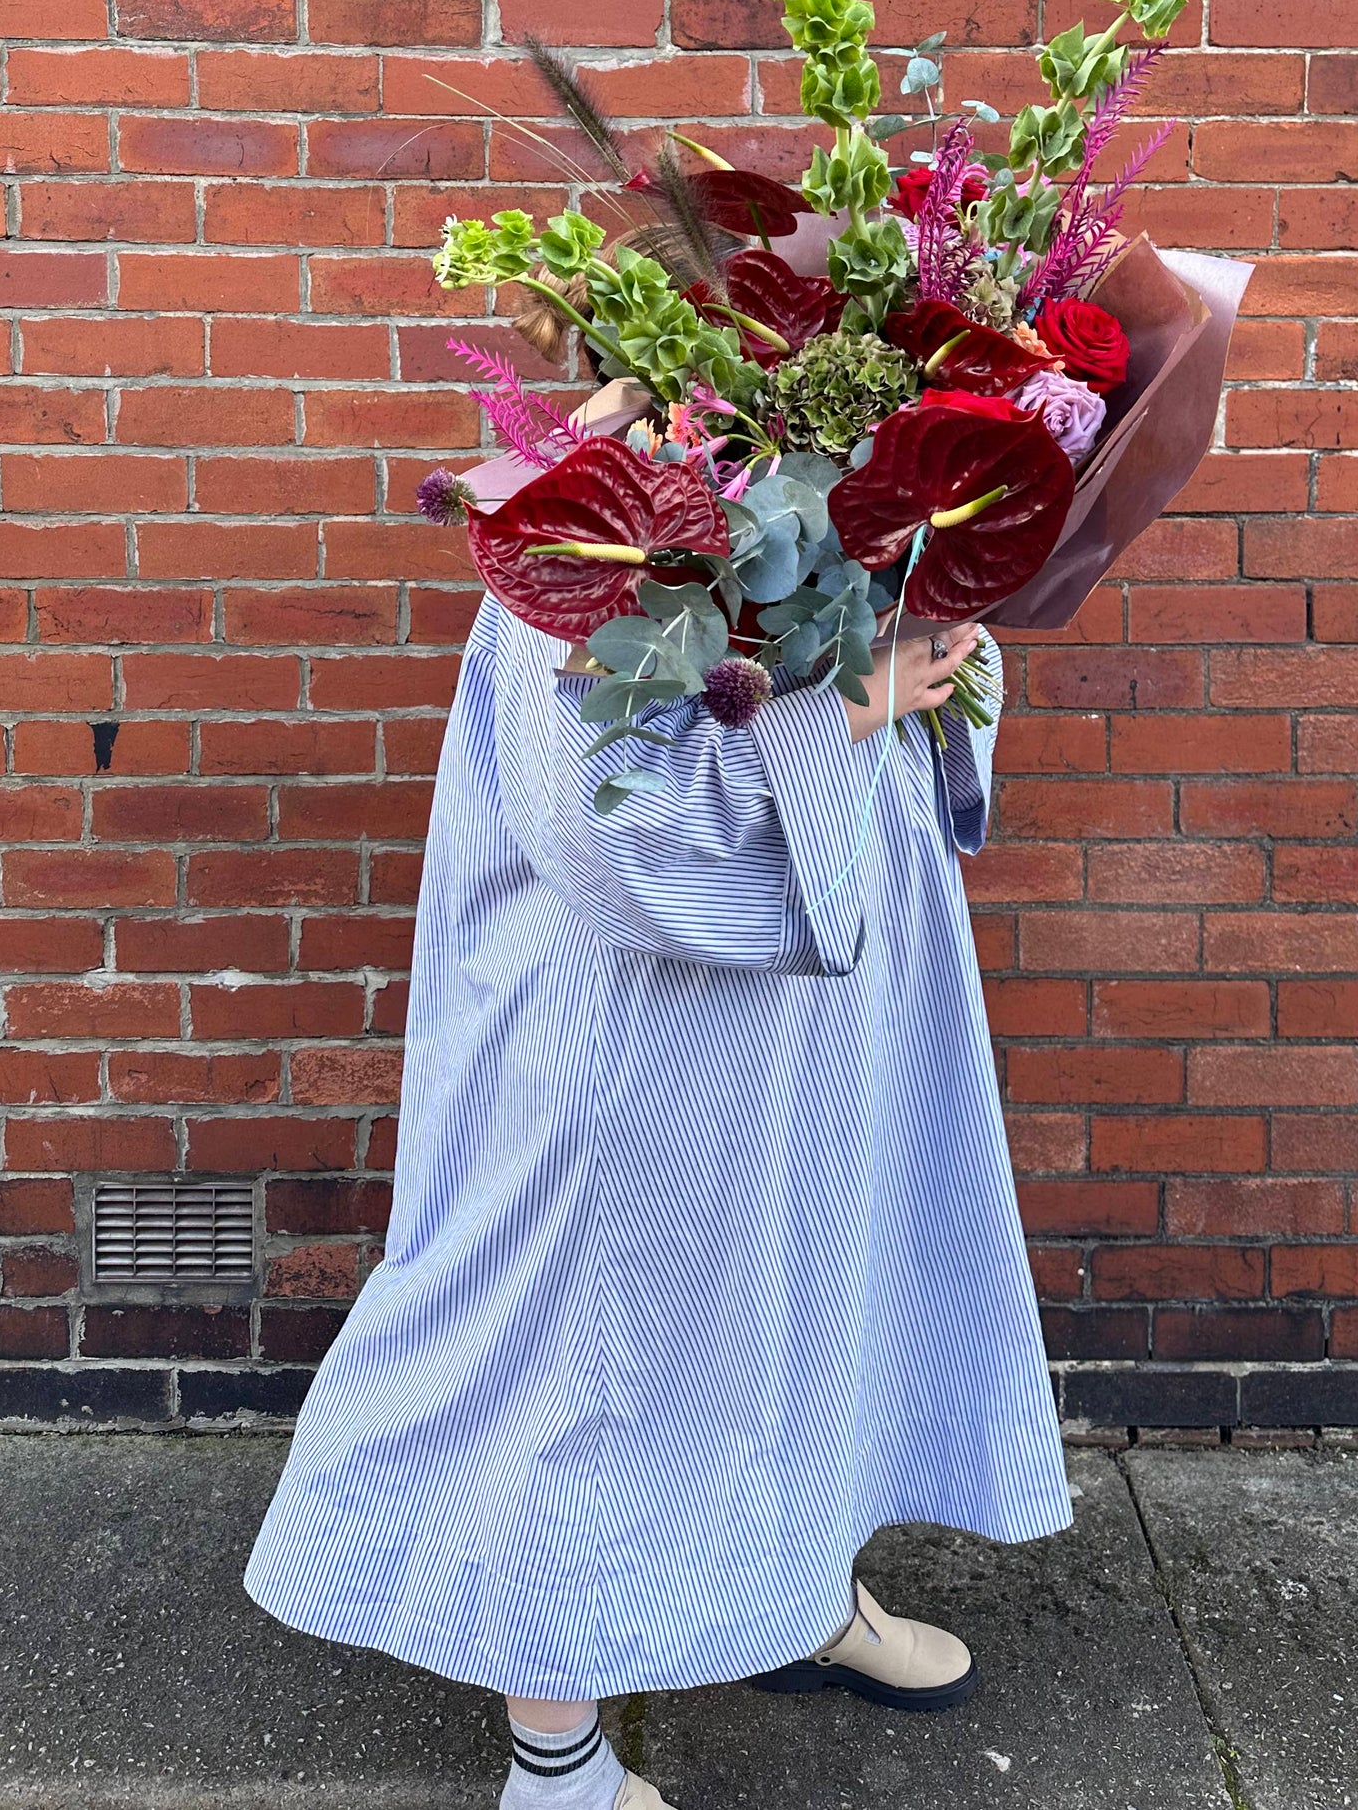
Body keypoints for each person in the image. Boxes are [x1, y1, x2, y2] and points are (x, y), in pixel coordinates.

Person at [245, 600, 1072, 1810]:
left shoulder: (822, 462)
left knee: (810, 1290)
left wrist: (942, 639)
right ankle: (556, 1763)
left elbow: (906, 704)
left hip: (835, 1003)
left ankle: (786, 1591)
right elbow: (608, 816)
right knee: (588, 1365)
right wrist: (851, 701)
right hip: (642, 1019)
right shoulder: (573, 538)